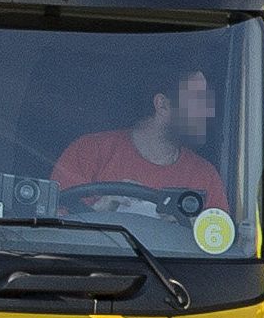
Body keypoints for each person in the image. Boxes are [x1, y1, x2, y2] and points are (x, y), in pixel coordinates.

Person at [50, 65, 230, 214]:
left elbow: (218, 243)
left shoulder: (205, 176)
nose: (207, 112)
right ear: (162, 104)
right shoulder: (88, 151)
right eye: (198, 101)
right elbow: (52, 227)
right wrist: (98, 211)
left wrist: (187, 227)